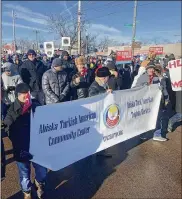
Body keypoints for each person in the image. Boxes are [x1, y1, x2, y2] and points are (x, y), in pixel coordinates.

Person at [3, 83, 47, 199]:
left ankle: (39, 183)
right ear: (17, 95)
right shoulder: (12, 109)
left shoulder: (36, 105)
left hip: (37, 146)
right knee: (24, 174)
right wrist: (17, 139)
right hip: (21, 147)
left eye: (27, 93)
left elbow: (46, 120)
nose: (26, 96)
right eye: (23, 94)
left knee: (42, 170)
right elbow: (8, 127)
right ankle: (27, 191)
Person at [135, 64, 169, 141]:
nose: (151, 70)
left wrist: (167, 98)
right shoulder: (142, 77)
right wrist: (144, 86)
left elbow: (164, 89)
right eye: (150, 69)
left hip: (156, 102)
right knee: (146, 118)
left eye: (153, 69)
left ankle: (157, 134)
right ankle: (143, 134)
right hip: (145, 102)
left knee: (157, 117)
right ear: (147, 69)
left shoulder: (158, 78)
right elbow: (136, 88)